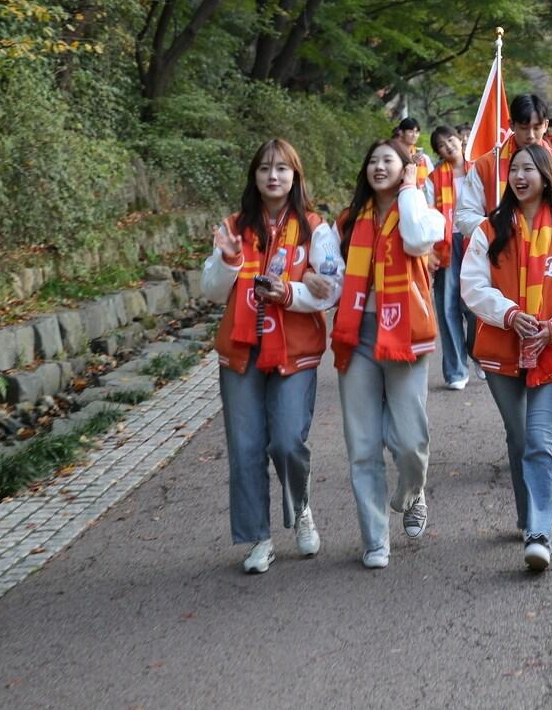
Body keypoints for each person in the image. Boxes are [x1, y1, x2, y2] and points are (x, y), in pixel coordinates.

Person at [202, 139, 342, 574]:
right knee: (245, 448)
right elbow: (211, 291)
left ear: (296, 176)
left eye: (282, 168)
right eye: (264, 168)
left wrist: (291, 292)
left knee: (286, 442)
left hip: (295, 351)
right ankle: (258, 536)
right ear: (254, 176)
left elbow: (330, 290)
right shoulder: (234, 227)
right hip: (242, 350)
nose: (273, 176)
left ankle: (300, 508)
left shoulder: (316, 228)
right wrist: (227, 261)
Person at [461, 144, 552, 571]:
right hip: (500, 350)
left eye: (529, 169)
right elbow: (472, 285)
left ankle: (539, 531)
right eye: (514, 169)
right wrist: (511, 315)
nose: (519, 176)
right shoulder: (488, 229)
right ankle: (527, 515)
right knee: (519, 439)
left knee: (539, 441)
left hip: (550, 352)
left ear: (546, 177)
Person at [455, 93, 552, 477]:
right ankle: (524, 444)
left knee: (551, 366)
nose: (530, 134)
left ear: (547, 125)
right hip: (504, 276)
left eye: (538, 127)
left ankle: (550, 450)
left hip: (550, 279)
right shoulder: (487, 166)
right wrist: (496, 229)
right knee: (512, 370)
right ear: (509, 126)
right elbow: (462, 214)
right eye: (522, 126)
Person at [332, 139, 446, 568]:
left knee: (410, 441)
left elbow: (417, 240)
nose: (379, 167)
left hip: (406, 332)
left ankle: (411, 492)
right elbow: (332, 275)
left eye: (389, 161)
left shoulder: (422, 213)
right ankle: (375, 538)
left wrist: (411, 190)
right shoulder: (347, 222)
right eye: (373, 161)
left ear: (405, 169)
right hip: (357, 333)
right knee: (362, 445)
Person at [430, 126, 474, 389]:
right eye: (442, 146)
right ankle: (456, 370)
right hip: (446, 244)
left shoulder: (480, 169)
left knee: (477, 306)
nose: (448, 147)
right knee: (448, 307)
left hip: (476, 242)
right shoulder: (434, 178)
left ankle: (480, 354)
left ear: (460, 139)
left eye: (450, 140)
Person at [391, 116, 435, 203]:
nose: (414, 135)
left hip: (421, 203)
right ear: (401, 132)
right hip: (398, 201)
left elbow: (432, 183)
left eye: (417, 132)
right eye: (410, 131)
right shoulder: (392, 156)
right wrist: (411, 162)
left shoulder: (424, 159)